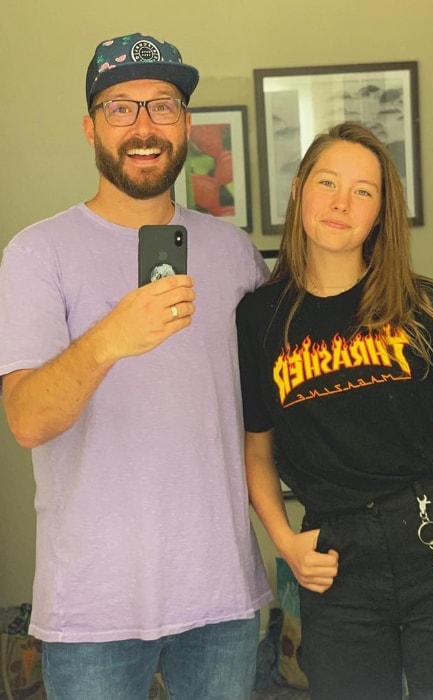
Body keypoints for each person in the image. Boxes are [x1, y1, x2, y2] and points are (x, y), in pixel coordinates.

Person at [0, 32, 273, 700]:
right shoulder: (39, 253)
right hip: (93, 607)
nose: (144, 126)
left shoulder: (234, 251)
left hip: (221, 595)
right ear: (91, 126)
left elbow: (302, 353)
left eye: (163, 106)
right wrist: (110, 336)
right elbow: (28, 420)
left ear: (185, 125)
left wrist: (413, 318)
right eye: (122, 107)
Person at [236, 121, 433, 700]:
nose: (340, 202)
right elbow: (256, 451)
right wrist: (284, 540)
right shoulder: (258, 319)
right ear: (301, 189)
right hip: (336, 557)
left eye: (363, 191)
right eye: (327, 182)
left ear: (381, 212)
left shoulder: (425, 305)